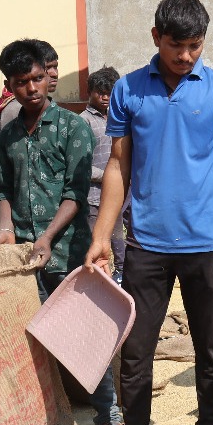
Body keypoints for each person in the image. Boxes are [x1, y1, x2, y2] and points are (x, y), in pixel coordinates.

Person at [87, 0, 213, 425]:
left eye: (195, 46)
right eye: (176, 46)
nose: (186, 56)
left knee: (210, 348)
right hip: (145, 244)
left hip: (206, 244)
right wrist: (103, 235)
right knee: (137, 349)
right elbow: (118, 165)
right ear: (155, 38)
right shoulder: (128, 90)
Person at [0, 40, 126, 425]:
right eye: (20, 82)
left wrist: (47, 238)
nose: (31, 88)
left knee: (84, 337)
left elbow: (74, 190)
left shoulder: (73, 128)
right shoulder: (7, 133)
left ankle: (111, 419)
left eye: (36, 79)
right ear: (9, 85)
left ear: (45, 77)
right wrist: (4, 228)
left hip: (68, 251)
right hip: (24, 259)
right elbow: (2, 186)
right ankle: (48, 419)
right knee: (33, 341)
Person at [0, 38, 57, 188]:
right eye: (48, 68)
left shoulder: (65, 120)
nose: (54, 74)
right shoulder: (17, 110)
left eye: (55, 67)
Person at [82, 65, 125, 282]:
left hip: (116, 196)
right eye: (100, 92)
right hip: (93, 197)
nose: (105, 96)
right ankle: (98, 282)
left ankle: (121, 277)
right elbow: (81, 166)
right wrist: (110, 176)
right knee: (96, 241)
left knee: (119, 240)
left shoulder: (117, 118)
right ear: (89, 92)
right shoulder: (83, 122)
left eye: (110, 92)